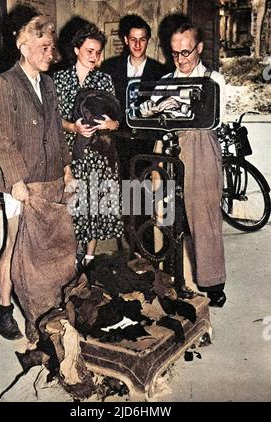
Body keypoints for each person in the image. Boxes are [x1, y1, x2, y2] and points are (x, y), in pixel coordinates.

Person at [0, 15, 74, 340]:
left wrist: (66, 168)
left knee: (46, 250)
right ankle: (5, 306)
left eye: (51, 47)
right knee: (16, 245)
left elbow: (55, 131)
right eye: (42, 47)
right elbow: (2, 139)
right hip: (20, 184)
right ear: (23, 47)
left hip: (49, 179)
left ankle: (47, 308)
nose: (49, 53)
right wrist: (16, 181)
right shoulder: (5, 84)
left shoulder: (48, 85)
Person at [141, 21, 227, 307]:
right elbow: (146, 113)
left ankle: (213, 283)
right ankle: (173, 278)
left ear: (199, 49)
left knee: (204, 215)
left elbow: (215, 115)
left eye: (186, 52)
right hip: (168, 147)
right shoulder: (164, 82)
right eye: (175, 53)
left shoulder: (214, 80)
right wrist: (155, 108)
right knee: (165, 213)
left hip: (201, 147)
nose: (180, 59)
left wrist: (175, 106)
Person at [53, 23, 123, 270]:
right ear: (76, 50)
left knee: (94, 205)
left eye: (98, 52)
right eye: (89, 51)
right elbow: (53, 119)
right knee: (74, 205)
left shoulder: (104, 79)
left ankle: (90, 258)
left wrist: (109, 124)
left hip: (100, 154)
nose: (94, 57)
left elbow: (117, 122)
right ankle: (71, 257)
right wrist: (74, 127)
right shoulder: (59, 79)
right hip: (71, 153)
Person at [101, 14, 167, 180]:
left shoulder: (160, 72)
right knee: (120, 190)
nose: (137, 45)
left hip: (147, 142)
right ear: (125, 40)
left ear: (148, 41)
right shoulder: (110, 68)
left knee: (142, 194)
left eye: (142, 39)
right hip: (117, 139)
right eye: (133, 39)